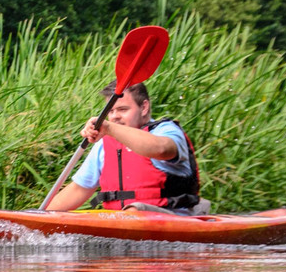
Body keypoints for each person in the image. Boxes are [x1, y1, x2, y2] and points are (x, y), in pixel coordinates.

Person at [46, 81, 206, 214]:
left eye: (122, 109)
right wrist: (39, 218)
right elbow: (78, 190)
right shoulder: (105, 143)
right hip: (121, 221)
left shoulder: (166, 130)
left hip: (170, 216)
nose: (115, 116)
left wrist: (108, 128)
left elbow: (162, 149)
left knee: (135, 210)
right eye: (110, 111)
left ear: (144, 107)